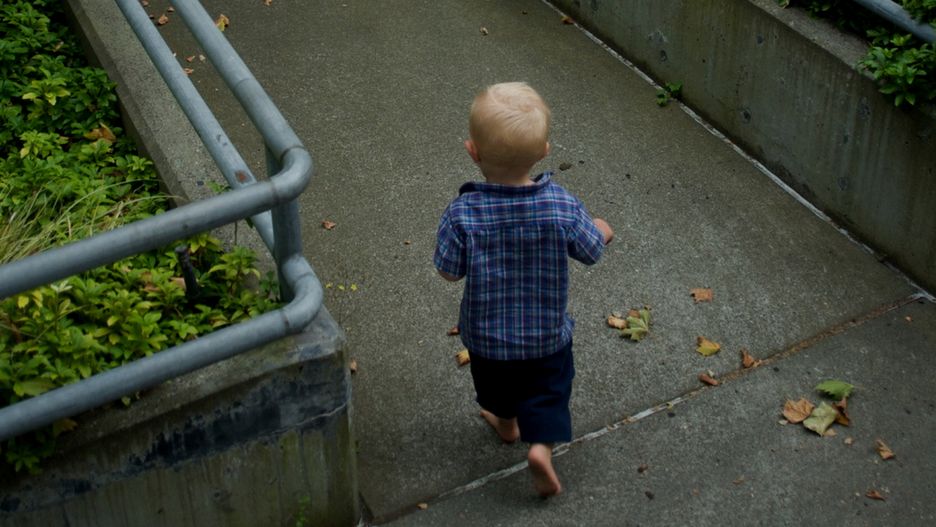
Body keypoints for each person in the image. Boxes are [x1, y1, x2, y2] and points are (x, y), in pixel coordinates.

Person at [434, 82, 613, 497]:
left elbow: (448, 272)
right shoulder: (562, 206)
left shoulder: (463, 213)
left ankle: (506, 422)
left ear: (472, 152)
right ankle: (541, 448)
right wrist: (602, 229)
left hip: (487, 339)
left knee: (495, 388)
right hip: (546, 338)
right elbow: (590, 251)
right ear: (544, 151)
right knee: (548, 391)